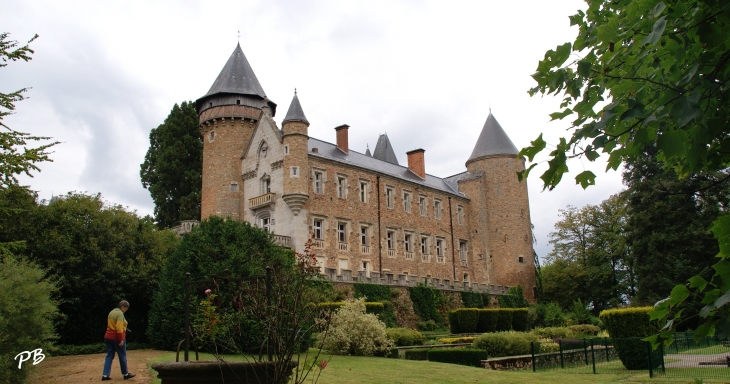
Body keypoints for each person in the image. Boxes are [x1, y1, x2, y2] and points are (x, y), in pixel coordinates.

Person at [101, 300, 135, 381]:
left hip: (108, 337)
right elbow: (119, 328)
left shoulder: (111, 312)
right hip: (116, 338)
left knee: (109, 356)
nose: (126, 310)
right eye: (126, 308)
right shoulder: (120, 314)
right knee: (122, 356)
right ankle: (126, 374)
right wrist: (121, 339)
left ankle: (105, 375)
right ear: (122, 307)